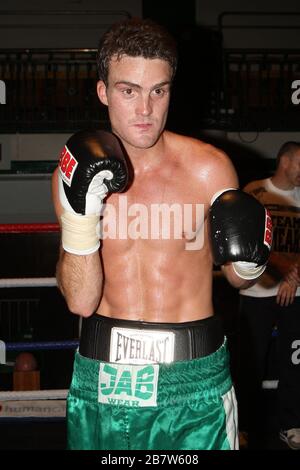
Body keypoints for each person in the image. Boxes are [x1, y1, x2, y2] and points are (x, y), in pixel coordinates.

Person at [52, 18, 271, 450]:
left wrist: (251, 259)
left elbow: (238, 279)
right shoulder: (74, 171)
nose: (145, 109)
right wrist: (81, 218)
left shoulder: (210, 168)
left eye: (159, 91)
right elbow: (80, 300)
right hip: (105, 373)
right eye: (128, 90)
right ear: (103, 92)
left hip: (194, 379)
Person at [237, 142, 300, 449]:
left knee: (295, 361)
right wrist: (284, 271)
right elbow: (249, 241)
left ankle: (290, 424)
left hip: (297, 293)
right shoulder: (255, 191)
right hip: (259, 292)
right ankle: (244, 426)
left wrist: (295, 276)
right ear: (285, 160)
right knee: (252, 361)